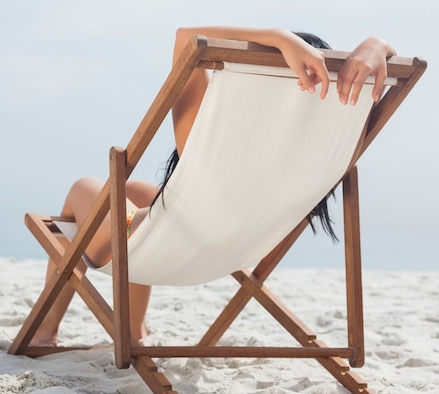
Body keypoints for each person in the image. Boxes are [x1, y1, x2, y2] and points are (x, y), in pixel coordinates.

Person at [28, 27, 397, 347]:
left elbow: (186, 38)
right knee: (139, 191)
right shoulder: (325, 152)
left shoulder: (212, 144)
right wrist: (376, 45)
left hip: (147, 250)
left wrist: (278, 38)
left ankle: (44, 332)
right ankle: (135, 329)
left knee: (84, 188)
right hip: (227, 253)